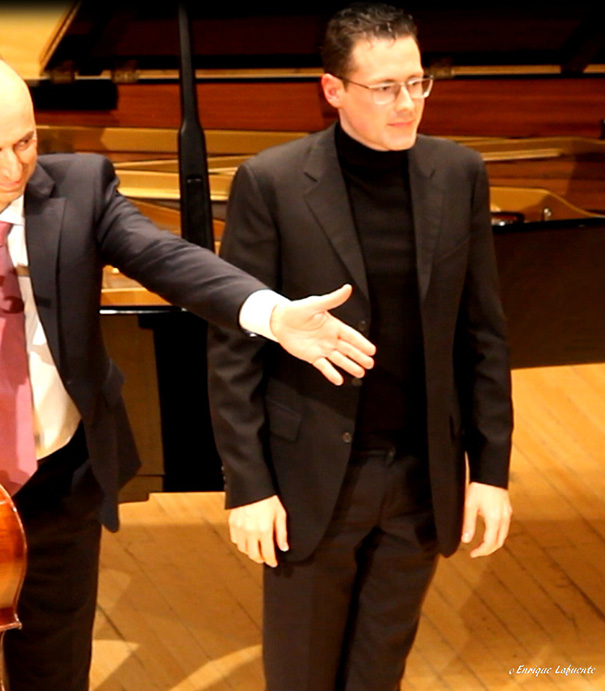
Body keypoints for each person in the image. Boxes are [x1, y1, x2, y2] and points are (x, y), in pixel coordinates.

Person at [0, 54, 376, 691]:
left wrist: (272, 314)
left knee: (57, 667)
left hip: (61, 478)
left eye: (25, 142)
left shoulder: (82, 186)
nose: (12, 169)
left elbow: (168, 259)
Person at [207, 3, 514, 689]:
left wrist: (491, 471)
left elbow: (483, 335)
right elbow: (233, 351)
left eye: (418, 82)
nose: (407, 104)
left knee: (380, 674)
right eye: (385, 88)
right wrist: (248, 486)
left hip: (421, 479)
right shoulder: (272, 182)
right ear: (333, 89)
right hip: (312, 481)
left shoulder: (459, 172)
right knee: (302, 675)